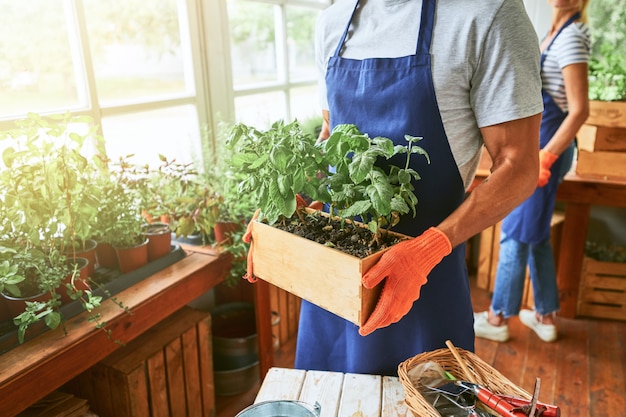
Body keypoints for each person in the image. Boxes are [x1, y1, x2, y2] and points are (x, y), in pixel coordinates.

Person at [289, 0, 544, 376]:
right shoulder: (333, 20)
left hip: (422, 288)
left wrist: (428, 250)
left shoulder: (489, 13)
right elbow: (333, 138)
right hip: (333, 286)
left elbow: (519, 165)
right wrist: (288, 212)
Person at [474, 0, 591, 344]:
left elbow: (579, 110)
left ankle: (497, 318)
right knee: (536, 233)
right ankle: (546, 314)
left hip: (546, 153)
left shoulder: (571, 38)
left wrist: (546, 158)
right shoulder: (551, 35)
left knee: (515, 231)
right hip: (537, 149)